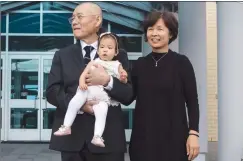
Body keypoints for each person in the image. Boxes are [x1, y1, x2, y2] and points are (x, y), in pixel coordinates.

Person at [46, 2, 133, 161]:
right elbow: (52, 92)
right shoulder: (62, 55)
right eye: (72, 18)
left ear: (97, 21)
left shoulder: (118, 55)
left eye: (79, 17)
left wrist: (107, 81)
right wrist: (79, 105)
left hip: (108, 141)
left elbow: (128, 95)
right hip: (72, 142)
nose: (74, 22)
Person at [128, 11, 200, 161]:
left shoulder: (181, 63)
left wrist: (193, 133)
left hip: (175, 140)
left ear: (171, 34)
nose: (154, 33)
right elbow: (128, 97)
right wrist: (108, 80)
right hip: (143, 140)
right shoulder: (140, 64)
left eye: (160, 29)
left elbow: (192, 101)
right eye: (150, 29)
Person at [53, 32, 128, 148]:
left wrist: (115, 79)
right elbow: (83, 74)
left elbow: (125, 85)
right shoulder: (94, 62)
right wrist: (82, 82)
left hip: (102, 97)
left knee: (102, 111)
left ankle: (97, 136)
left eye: (109, 48)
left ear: (116, 52)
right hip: (86, 91)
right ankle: (66, 126)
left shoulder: (117, 64)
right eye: (102, 47)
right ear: (98, 50)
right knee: (74, 102)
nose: (105, 50)